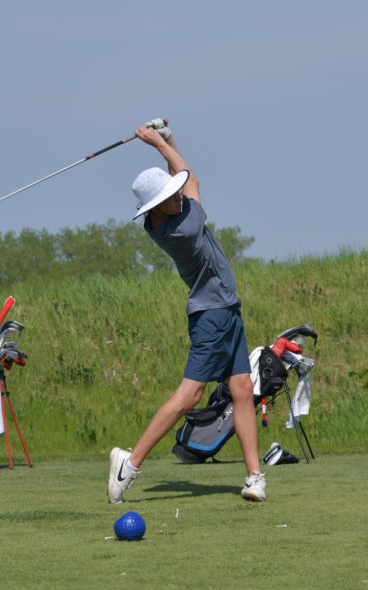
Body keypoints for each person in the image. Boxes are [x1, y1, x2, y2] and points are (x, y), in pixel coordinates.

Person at [107, 118, 266, 503]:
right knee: (190, 396)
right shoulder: (182, 229)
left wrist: (166, 138)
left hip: (227, 309)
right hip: (211, 315)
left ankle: (254, 477)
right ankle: (129, 465)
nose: (178, 195)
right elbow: (189, 176)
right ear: (156, 206)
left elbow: (180, 178)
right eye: (170, 195)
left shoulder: (166, 216)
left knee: (242, 390)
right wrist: (158, 144)